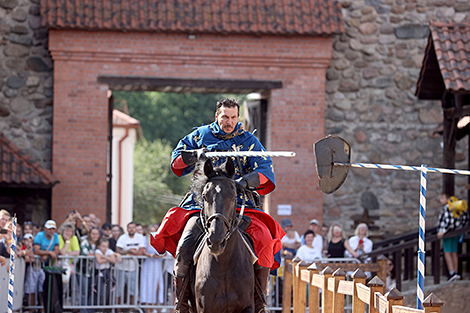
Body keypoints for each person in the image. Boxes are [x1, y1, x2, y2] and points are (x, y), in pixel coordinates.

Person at [151, 98, 284, 313]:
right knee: (185, 245)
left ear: (237, 117)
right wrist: (195, 155)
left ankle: (259, 301)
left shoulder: (248, 141)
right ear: (217, 116)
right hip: (204, 203)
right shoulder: (200, 135)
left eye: (233, 117)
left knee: (266, 241)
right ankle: (182, 303)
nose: (229, 121)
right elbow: (176, 161)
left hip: (239, 203)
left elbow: (265, 172)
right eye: (225, 117)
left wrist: (245, 182)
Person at [437, 193, 469, 282]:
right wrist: (460, 228)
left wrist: (443, 231)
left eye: (442, 198)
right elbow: (465, 218)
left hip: (447, 234)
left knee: (447, 252)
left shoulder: (448, 208)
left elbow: (448, 221)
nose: (440, 200)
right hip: (456, 233)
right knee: (454, 252)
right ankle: (456, 271)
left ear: (448, 199)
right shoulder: (458, 208)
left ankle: (452, 272)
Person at [115, 221, 145, 309]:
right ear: (127, 229)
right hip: (121, 267)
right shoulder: (122, 238)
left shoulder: (139, 237)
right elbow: (118, 250)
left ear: (135, 229)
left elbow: (141, 252)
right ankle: (118, 309)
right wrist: (130, 251)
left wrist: (128, 252)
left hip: (133, 268)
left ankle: (131, 309)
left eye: (133, 227)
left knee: (133, 290)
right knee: (119, 290)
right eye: (129, 227)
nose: (131, 229)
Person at [140, 224, 165, 313]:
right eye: (151, 230)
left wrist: (161, 255)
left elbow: (164, 251)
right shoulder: (144, 239)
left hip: (157, 265)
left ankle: (153, 308)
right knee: (148, 286)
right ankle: (148, 309)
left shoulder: (159, 240)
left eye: (154, 230)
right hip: (148, 264)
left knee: (156, 287)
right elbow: (143, 251)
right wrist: (151, 255)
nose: (152, 232)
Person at [78, 227, 101, 313]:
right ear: (90, 234)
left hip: (94, 272)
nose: (95, 236)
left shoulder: (99, 243)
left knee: (92, 292)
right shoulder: (85, 242)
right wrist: (98, 255)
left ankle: (90, 310)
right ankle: (83, 311)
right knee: (84, 292)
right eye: (93, 234)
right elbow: (87, 253)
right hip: (83, 271)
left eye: (97, 234)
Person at [94, 238, 120, 305]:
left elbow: (114, 261)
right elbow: (99, 261)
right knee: (101, 292)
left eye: (106, 246)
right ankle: (100, 308)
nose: (105, 248)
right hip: (100, 273)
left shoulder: (109, 251)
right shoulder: (97, 251)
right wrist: (109, 258)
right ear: (99, 246)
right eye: (103, 246)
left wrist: (104, 257)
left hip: (107, 273)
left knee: (107, 292)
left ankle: (105, 307)